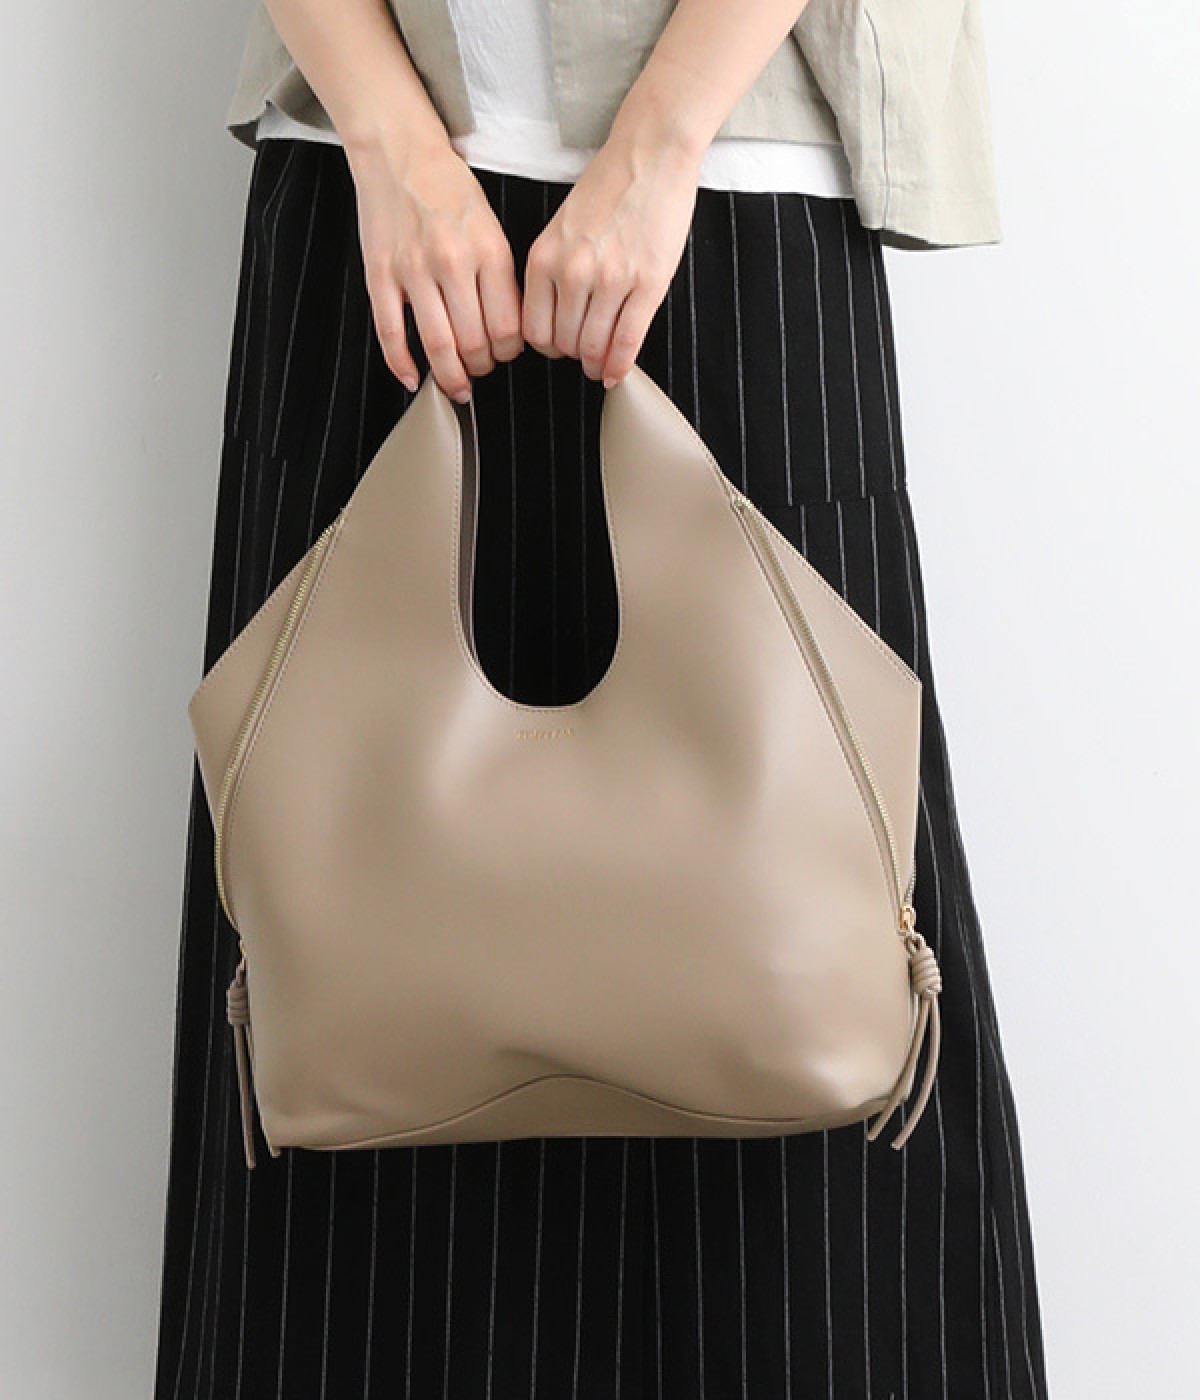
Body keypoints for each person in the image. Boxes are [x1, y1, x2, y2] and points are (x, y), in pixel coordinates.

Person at [154, 1, 1050, 1395]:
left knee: (802, 989)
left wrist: (659, 141)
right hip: (371, 208)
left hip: (731, 180)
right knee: (346, 992)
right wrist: (390, 142)